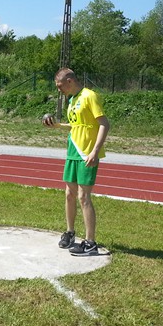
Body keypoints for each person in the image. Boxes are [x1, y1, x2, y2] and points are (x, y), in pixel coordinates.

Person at [42, 68, 110, 256]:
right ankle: (70, 232)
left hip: (86, 152)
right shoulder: (72, 100)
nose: (59, 89)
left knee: (83, 197)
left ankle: (90, 243)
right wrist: (57, 125)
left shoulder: (89, 96)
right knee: (69, 194)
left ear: (70, 81)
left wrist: (95, 151)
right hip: (73, 150)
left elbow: (104, 124)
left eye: (60, 86)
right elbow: (76, 125)